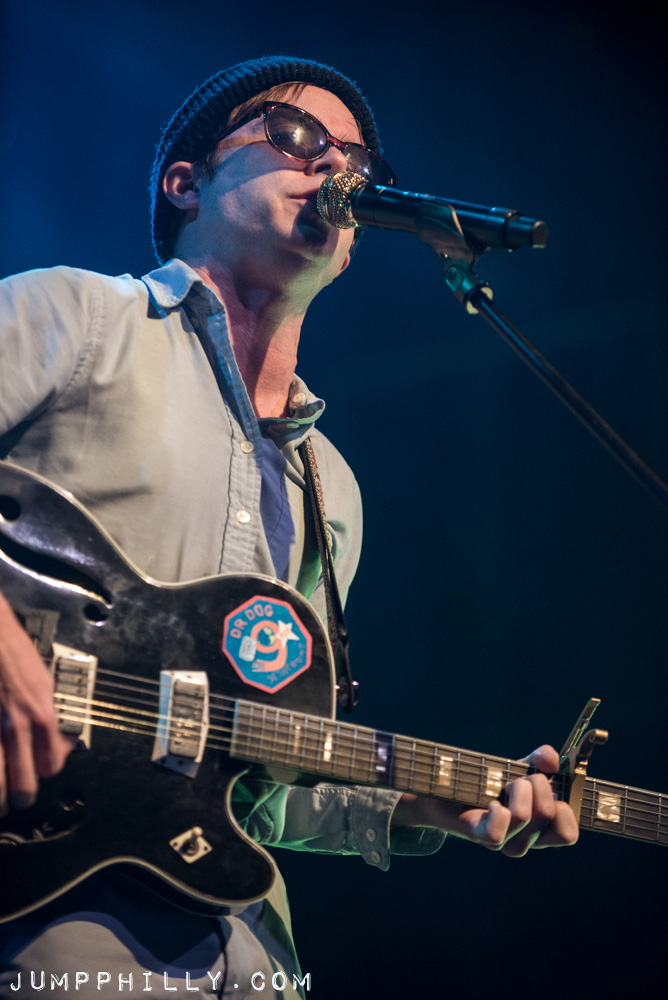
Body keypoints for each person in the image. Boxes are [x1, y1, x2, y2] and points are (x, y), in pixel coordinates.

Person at [0, 56, 578, 998]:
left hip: (255, 954)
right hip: (47, 921)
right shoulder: (76, 316)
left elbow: (251, 782)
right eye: (295, 135)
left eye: (359, 160)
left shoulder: (331, 489)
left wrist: (422, 804)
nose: (336, 167)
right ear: (186, 184)